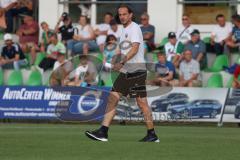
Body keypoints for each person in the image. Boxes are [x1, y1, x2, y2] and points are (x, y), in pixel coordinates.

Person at [85, 5, 159, 143]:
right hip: (131, 70)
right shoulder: (123, 29)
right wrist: (115, 60)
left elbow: (135, 48)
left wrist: (122, 62)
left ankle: (103, 132)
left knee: (116, 99)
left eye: (125, 14)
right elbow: (121, 49)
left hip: (134, 70)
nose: (122, 17)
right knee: (141, 103)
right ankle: (152, 134)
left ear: (130, 15)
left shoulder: (135, 28)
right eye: (120, 14)